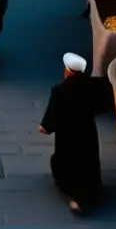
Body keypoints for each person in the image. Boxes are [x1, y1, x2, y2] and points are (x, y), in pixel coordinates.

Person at [39, 52, 104, 214]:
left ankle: (76, 196)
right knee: (87, 160)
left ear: (67, 71)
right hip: (87, 131)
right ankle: (91, 189)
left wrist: (45, 127)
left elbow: (52, 114)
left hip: (67, 133)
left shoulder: (60, 90)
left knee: (68, 160)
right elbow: (100, 106)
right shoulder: (92, 85)